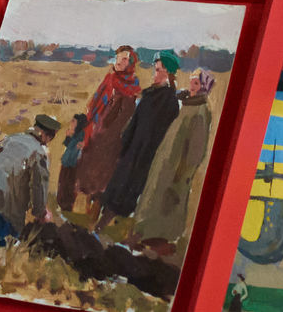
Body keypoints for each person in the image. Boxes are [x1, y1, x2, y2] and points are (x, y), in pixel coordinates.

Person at [132, 67, 215, 252]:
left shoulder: (200, 111)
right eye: (192, 81)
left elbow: (196, 151)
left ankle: (157, 242)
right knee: (153, 198)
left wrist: (182, 173)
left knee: (167, 206)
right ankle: (142, 235)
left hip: (177, 171)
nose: (192, 86)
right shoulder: (186, 104)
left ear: (203, 87)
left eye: (196, 83)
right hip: (165, 163)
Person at [97, 51, 180, 228]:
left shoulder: (170, 101)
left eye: (158, 70)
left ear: (168, 73)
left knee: (128, 191)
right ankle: (103, 222)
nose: (154, 73)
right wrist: (125, 142)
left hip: (146, 155)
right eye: (155, 69)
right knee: (117, 185)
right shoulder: (149, 94)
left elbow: (163, 134)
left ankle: (106, 225)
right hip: (132, 149)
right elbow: (135, 121)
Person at [0, 113, 61, 245]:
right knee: (5, 242)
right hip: (5, 208)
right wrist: (41, 212)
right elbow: (39, 186)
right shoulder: (40, 153)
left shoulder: (12, 138)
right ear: (47, 136)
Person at [75, 45, 141, 214]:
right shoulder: (110, 78)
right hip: (96, 132)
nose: (119, 61)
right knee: (87, 171)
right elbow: (96, 104)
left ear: (130, 63)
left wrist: (107, 132)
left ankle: (94, 211)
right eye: (119, 57)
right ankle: (83, 209)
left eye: (125, 59)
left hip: (112, 140)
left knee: (103, 177)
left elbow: (125, 117)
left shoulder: (131, 88)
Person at [56, 112, 88, 212]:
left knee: (67, 185)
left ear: (79, 123)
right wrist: (68, 136)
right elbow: (68, 145)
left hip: (72, 164)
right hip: (67, 162)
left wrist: (78, 145)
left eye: (74, 121)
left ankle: (66, 206)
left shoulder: (81, 135)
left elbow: (76, 149)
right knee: (62, 184)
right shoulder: (75, 134)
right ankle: (62, 205)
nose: (71, 123)